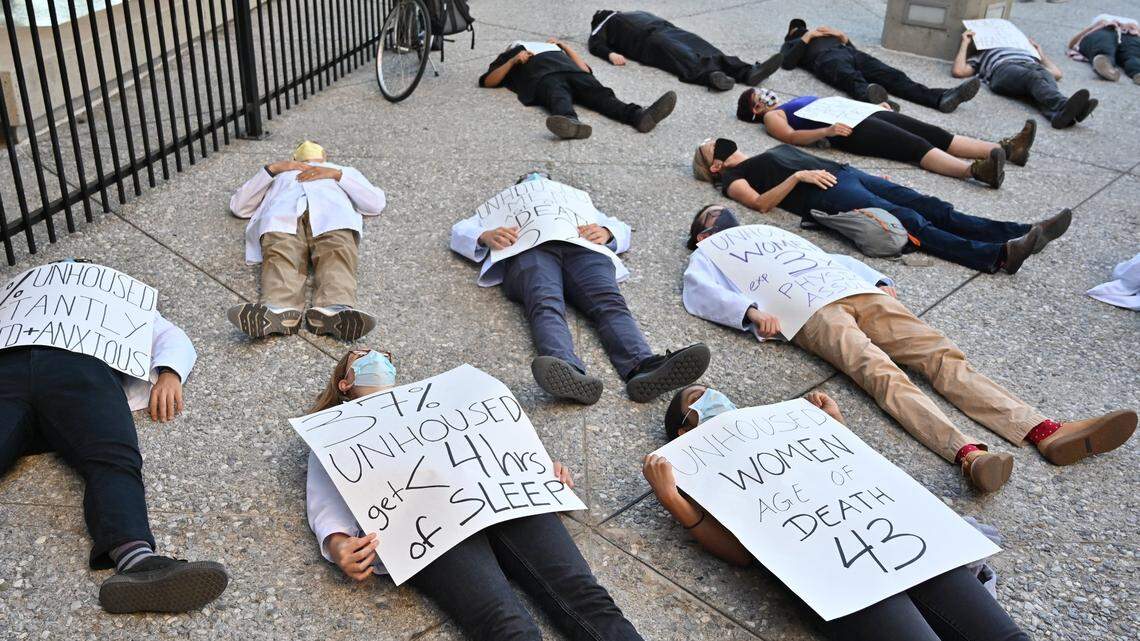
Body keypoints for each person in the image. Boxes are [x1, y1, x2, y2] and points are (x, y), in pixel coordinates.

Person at [679, 213, 1138, 491]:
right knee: (878, 371)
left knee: (942, 355)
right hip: (807, 311)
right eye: (713, 216)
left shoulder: (769, 234)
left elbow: (824, 258)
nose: (723, 219)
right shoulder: (708, 254)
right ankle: (968, 454)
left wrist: (874, 280)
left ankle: (1043, 429)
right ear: (702, 233)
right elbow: (700, 292)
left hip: (848, 290)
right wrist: (750, 311)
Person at [305, 348, 645, 641]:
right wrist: (338, 546)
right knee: (505, 624)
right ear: (344, 383)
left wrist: (542, 472)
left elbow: (503, 443)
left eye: (384, 357)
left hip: (506, 502)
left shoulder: (437, 402)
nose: (377, 357)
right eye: (362, 356)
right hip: (431, 528)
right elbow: (326, 506)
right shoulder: (332, 432)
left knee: (586, 596)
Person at [645, 387, 1032, 640]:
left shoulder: (781, 430)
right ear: (683, 432)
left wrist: (834, 430)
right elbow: (741, 553)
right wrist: (674, 500)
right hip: (842, 579)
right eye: (699, 396)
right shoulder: (702, 471)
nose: (714, 395)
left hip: (907, 544)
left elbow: (855, 475)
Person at [0, 261, 228, 613]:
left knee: (113, 454)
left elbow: (167, 335)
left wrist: (170, 373)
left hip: (79, 367)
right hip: (16, 367)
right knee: (110, 456)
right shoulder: (17, 294)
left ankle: (136, 560)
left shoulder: (112, 295)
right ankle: (135, 558)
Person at [451, 171, 710, 404]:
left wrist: (607, 232)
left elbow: (618, 226)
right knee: (545, 302)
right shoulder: (505, 203)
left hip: (583, 251)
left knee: (610, 303)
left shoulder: (572, 200)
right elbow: (462, 229)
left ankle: (643, 366)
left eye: (542, 177)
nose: (536, 180)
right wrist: (485, 235)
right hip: (530, 251)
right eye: (529, 178)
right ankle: (566, 370)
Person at [691, 139, 1070, 274]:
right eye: (714, 150)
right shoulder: (732, 179)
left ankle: (1018, 231)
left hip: (846, 174)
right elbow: (758, 204)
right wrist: (797, 179)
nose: (721, 145)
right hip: (828, 194)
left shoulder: (758, 154)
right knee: (912, 221)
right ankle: (997, 256)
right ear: (716, 166)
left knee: (933, 205)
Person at [227, 140, 386, 341]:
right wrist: (273, 169)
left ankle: (334, 309)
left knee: (337, 253)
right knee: (282, 253)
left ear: (326, 156)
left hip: (333, 219)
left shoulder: (342, 171)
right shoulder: (280, 175)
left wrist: (338, 175)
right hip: (283, 219)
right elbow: (239, 207)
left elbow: (375, 203)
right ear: (293, 157)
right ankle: (280, 310)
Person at [737, 87, 1039, 188]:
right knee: (915, 146)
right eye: (757, 96)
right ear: (754, 109)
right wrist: (827, 132)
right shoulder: (771, 116)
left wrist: (871, 106)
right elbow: (790, 136)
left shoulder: (791, 101)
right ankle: (975, 171)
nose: (765, 94)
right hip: (850, 129)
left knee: (934, 133)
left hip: (863, 114)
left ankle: (1007, 150)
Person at [479, 38, 676, 139]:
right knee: (557, 95)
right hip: (545, 77)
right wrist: (513, 59)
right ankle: (570, 123)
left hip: (576, 74)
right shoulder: (512, 53)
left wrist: (564, 46)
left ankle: (640, 116)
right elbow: (488, 81)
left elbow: (586, 70)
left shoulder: (556, 49)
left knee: (602, 96)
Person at [780, 19, 980, 113]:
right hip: (825, 59)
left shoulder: (825, 35)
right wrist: (806, 37)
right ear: (791, 33)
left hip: (851, 53)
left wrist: (844, 38)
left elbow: (850, 50)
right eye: (798, 28)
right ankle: (873, 99)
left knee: (893, 76)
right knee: (850, 77)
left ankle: (940, 98)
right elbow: (788, 64)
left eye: (804, 26)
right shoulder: (791, 44)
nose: (804, 29)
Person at [588, 9, 783, 91]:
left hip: (667, 30)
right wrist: (610, 54)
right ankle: (712, 77)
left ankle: (746, 72)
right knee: (683, 57)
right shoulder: (604, 23)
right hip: (649, 40)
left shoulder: (630, 13)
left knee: (706, 48)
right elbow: (595, 44)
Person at [953, 29, 1097, 129]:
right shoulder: (984, 52)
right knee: (1034, 78)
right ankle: (1065, 105)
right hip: (1003, 69)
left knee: (1042, 85)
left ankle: (1058, 116)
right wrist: (965, 43)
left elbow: (1056, 73)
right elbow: (959, 71)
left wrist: (1040, 53)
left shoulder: (1026, 51)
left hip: (1033, 67)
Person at [1067, 14, 1140, 83]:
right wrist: (1097, 26)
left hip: (1130, 35)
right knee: (1103, 45)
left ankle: (1137, 72)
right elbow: (1073, 43)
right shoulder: (1102, 19)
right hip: (1106, 29)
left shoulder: (1134, 25)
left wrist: (1135, 29)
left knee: (1133, 53)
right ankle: (1106, 67)